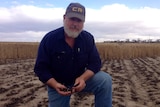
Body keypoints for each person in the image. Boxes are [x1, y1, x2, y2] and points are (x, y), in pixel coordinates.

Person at [34, 2, 112, 107]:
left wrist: (83, 78)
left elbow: (95, 63)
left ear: (83, 22)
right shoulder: (50, 39)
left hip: (79, 80)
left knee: (105, 80)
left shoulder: (88, 38)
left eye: (79, 20)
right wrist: (55, 84)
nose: (75, 24)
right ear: (64, 18)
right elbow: (41, 68)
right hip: (58, 84)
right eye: (72, 19)